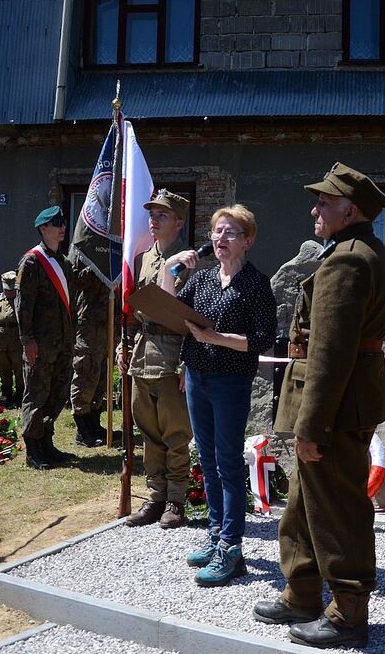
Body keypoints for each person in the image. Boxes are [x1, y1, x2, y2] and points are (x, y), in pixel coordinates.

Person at [254, 163, 385, 649]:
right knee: (303, 504)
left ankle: (348, 611)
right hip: (337, 402)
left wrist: (311, 427)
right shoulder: (357, 252)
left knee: (337, 511)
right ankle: (302, 592)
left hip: (333, 408)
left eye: (324, 202)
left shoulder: (348, 261)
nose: (314, 209)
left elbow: (330, 353)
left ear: (349, 210)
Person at [162, 204, 277, 586]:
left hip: (230, 383)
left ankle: (231, 546)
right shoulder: (205, 278)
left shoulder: (257, 285)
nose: (220, 239)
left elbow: (261, 341)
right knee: (208, 461)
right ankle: (215, 535)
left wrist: (214, 338)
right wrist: (169, 269)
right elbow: (169, 311)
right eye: (216, 232)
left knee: (227, 463)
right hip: (197, 377)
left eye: (230, 233)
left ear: (248, 241)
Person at [119, 189, 195, 529]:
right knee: (148, 430)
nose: (153, 220)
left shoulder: (191, 260)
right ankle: (155, 497)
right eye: (151, 214)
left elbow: (195, 317)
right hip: (142, 353)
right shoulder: (142, 259)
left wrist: (187, 363)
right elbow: (135, 310)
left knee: (175, 432)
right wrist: (124, 346)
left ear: (178, 222)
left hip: (173, 353)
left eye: (161, 215)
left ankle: (176, 501)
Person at [16, 205, 77, 469]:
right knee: (37, 394)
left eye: (63, 223)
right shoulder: (32, 262)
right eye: (56, 223)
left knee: (57, 393)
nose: (62, 227)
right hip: (39, 344)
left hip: (62, 342)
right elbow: (23, 305)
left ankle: (47, 444)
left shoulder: (63, 262)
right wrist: (27, 339)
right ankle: (33, 449)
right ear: (43, 228)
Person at [69, 258, 111, 448]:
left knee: (101, 376)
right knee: (86, 375)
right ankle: (82, 428)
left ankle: (94, 423)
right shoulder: (83, 254)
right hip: (88, 327)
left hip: (107, 326)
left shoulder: (114, 252)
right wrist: (95, 267)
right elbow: (75, 281)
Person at [0, 271, 24, 408]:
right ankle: (6, 395)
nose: (10, 292)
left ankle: (20, 395)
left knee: (20, 371)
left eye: (12, 289)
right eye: (7, 289)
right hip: (0, 343)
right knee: (3, 371)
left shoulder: (22, 299)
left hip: (18, 342)